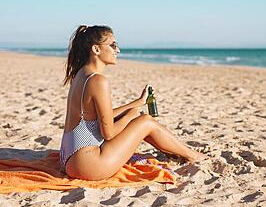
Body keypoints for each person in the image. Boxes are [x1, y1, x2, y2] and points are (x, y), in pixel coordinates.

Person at [60, 25, 206, 180]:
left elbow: (97, 117)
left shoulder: (81, 75)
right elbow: (108, 134)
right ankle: (193, 156)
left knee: (138, 117)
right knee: (146, 121)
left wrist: (136, 104)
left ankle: (177, 153)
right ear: (96, 49)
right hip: (87, 166)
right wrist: (130, 116)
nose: (118, 50)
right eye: (113, 45)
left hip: (69, 159)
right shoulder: (98, 80)